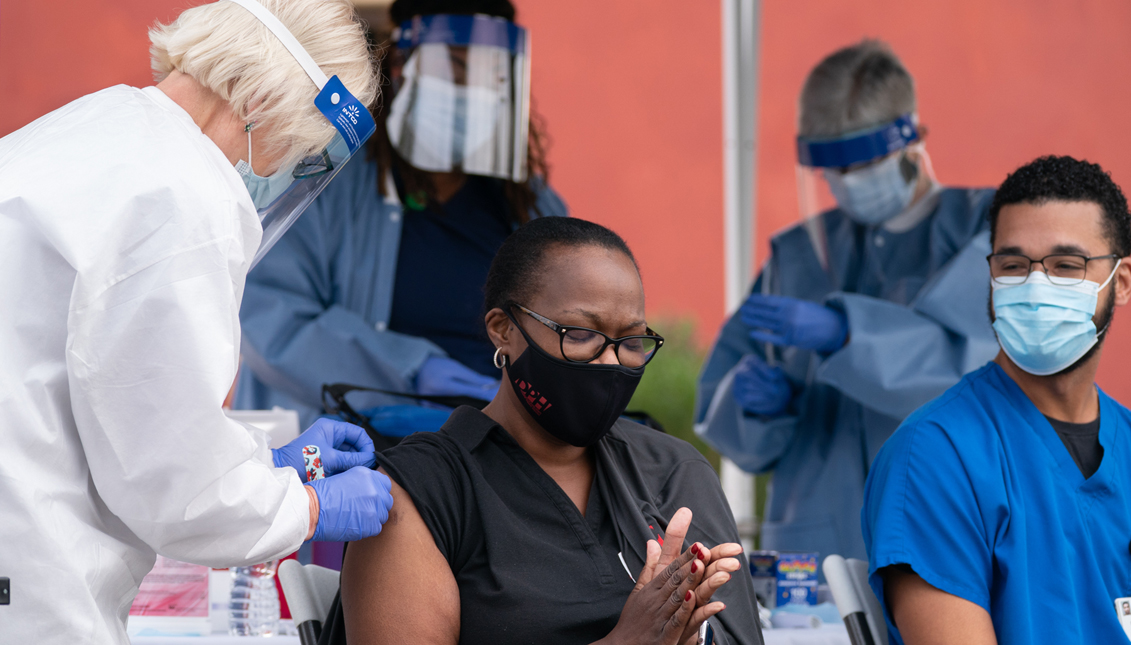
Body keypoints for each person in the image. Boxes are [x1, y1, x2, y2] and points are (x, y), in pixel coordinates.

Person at [0, 1, 396, 642]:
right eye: (301, 153)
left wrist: (266, 466)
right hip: (30, 581)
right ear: (263, 105)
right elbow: (175, 484)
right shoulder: (184, 197)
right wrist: (307, 505)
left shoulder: (101, 126)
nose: (283, 174)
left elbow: (122, 403)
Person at [315, 217, 764, 645]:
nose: (609, 362)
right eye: (581, 334)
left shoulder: (671, 472)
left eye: (630, 342)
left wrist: (691, 633)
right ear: (504, 330)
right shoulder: (423, 491)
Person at [695, 40, 1000, 565]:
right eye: (833, 169)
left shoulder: (987, 229)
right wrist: (759, 409)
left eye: (866, 162)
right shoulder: (795, 258)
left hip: (944, 523)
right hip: (811, 543)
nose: (849, 182)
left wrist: (847, 334)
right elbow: (726, 421)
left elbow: (971, 368)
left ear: (912, 138)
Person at [234, 0, 567, 429]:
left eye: (492, 75)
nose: (474, 89)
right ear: (401, 65)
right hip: (349, 452)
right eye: (454, 66)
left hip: (500, 445)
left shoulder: (534, 208)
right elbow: (270, 318)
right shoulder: (323, 180)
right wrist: (411, 371)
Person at [863, 155, 1131, 644]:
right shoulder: (936, 456)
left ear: (1122, 281)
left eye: (1066, 266)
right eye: (1013, 265)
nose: (1034, 285)